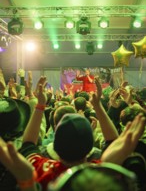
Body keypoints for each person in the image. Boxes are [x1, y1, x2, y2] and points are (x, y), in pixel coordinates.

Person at [0, 76, 145, 191]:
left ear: (55, 144)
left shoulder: (40, 170)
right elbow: (112, 142)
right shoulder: (98, 172)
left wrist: (40, 105)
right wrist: (98, 107)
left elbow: (28, 144)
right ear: (91, 149)